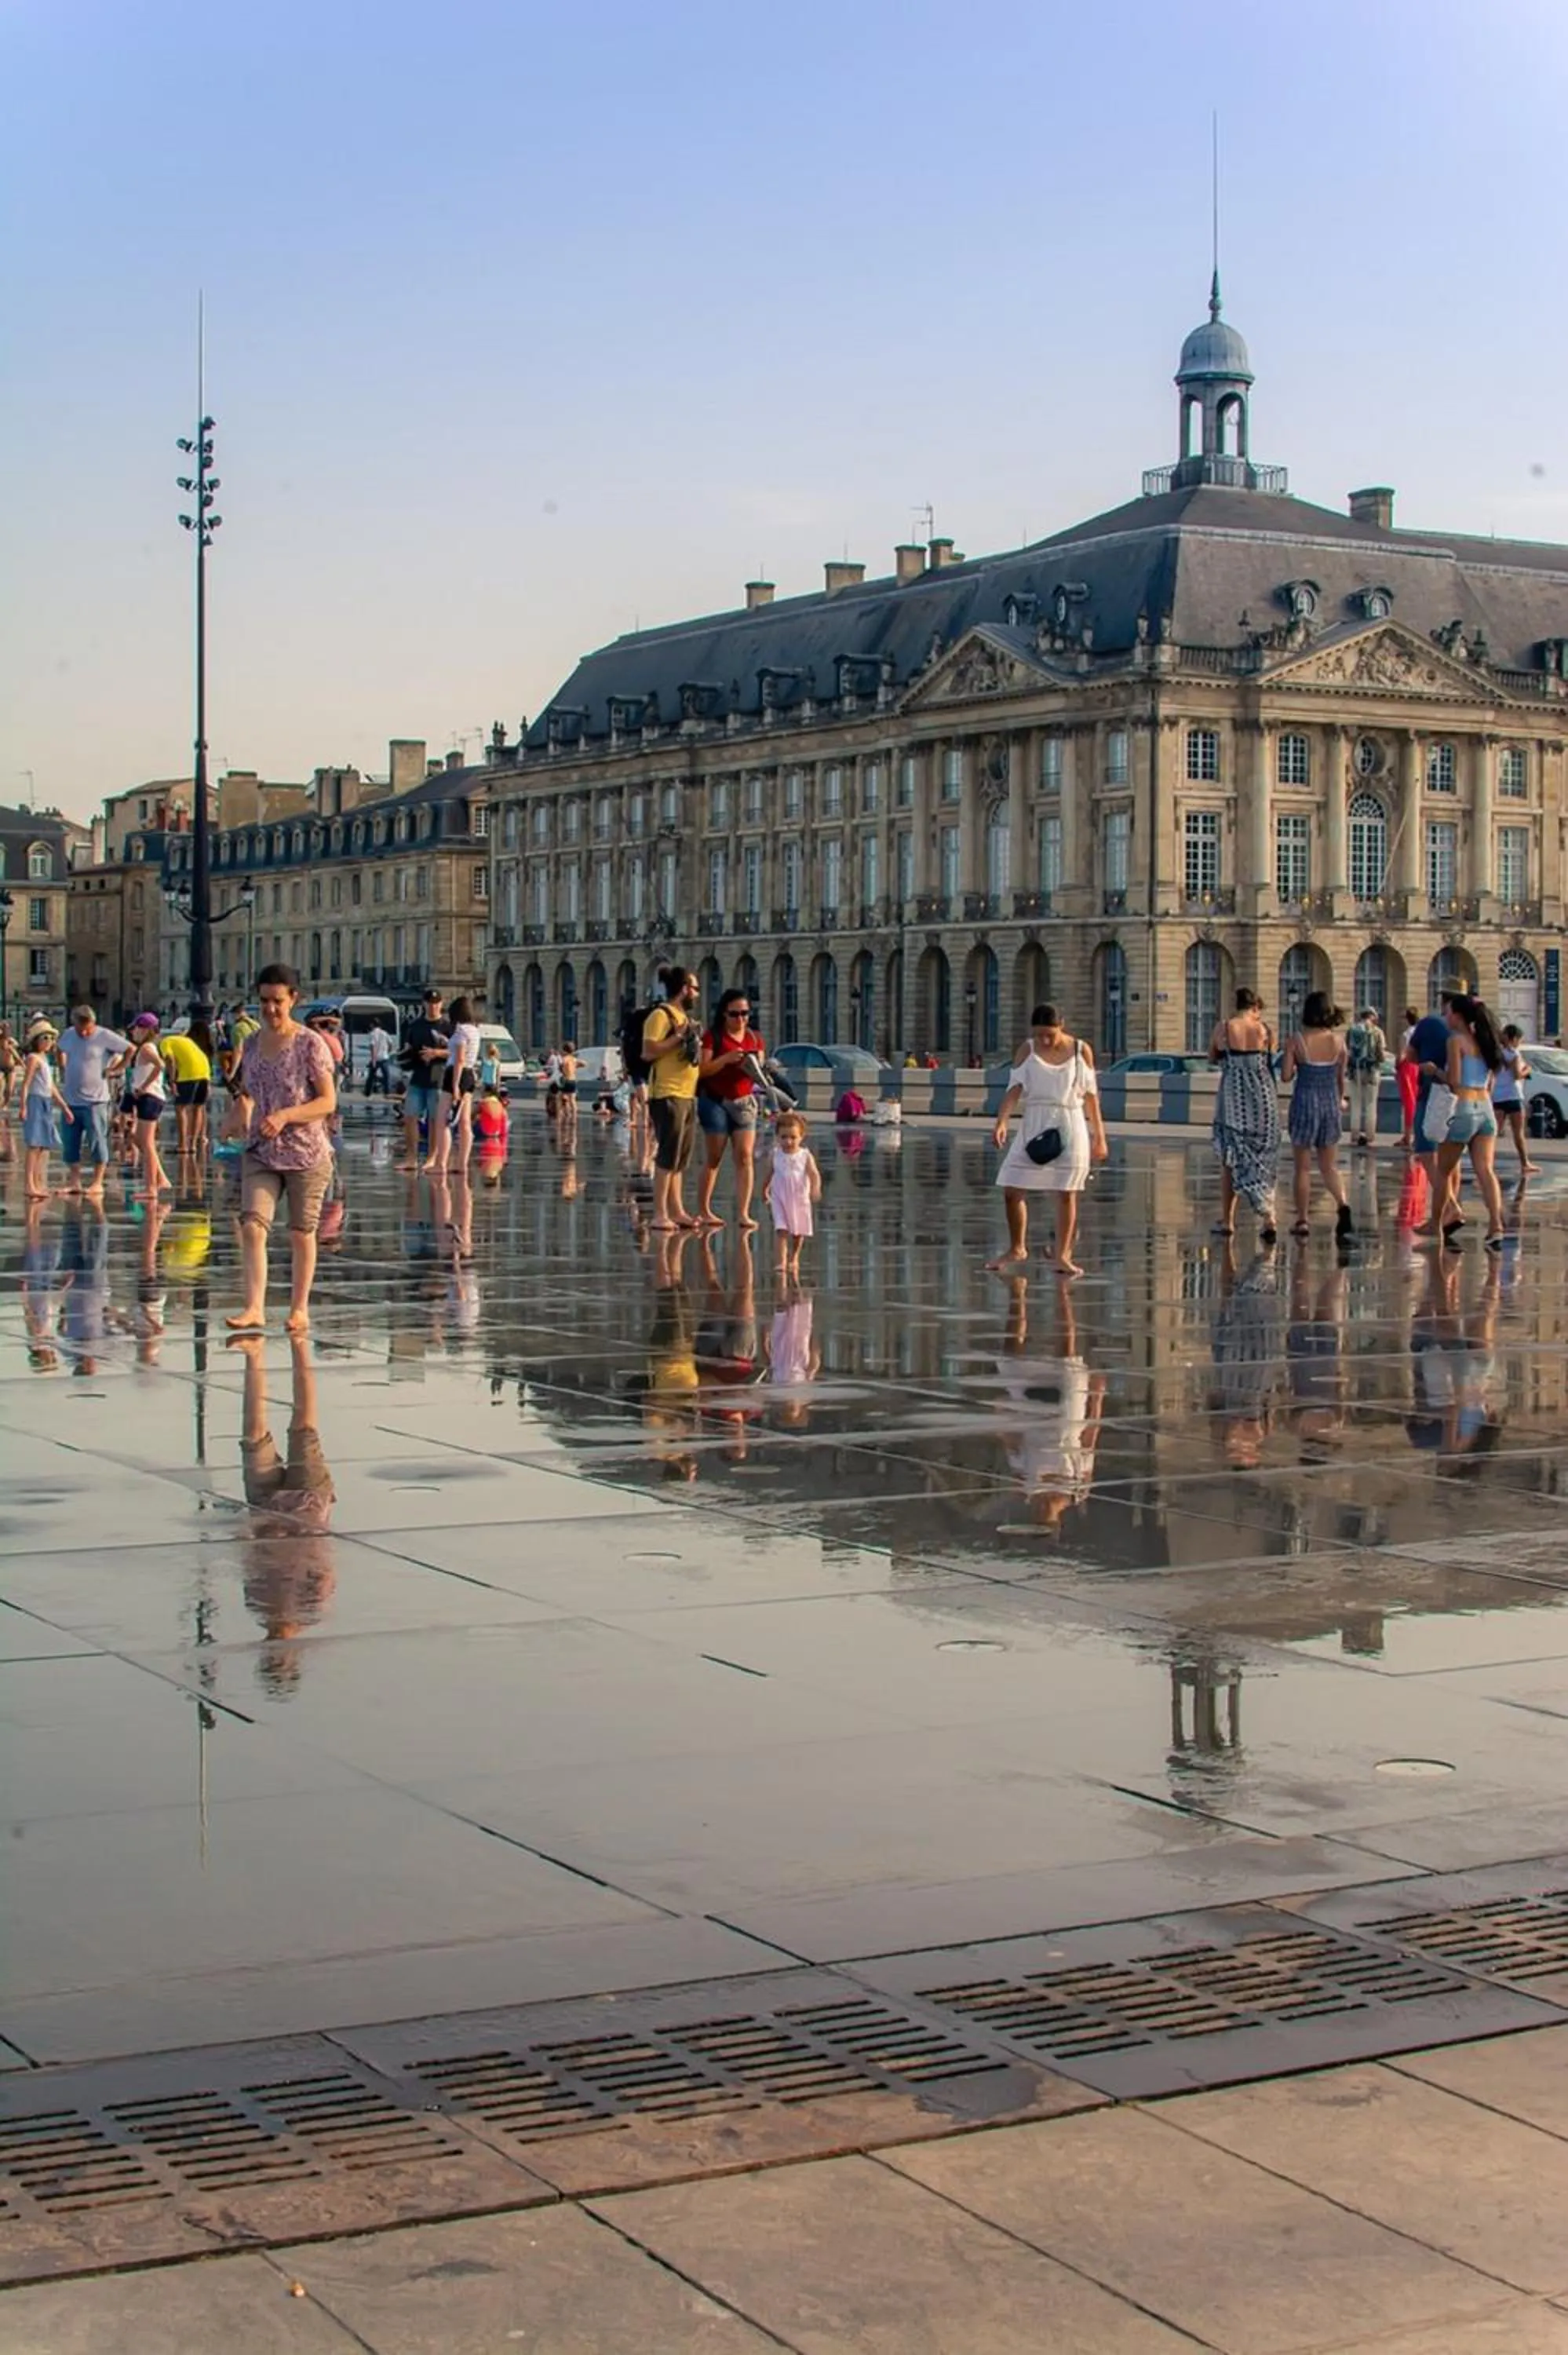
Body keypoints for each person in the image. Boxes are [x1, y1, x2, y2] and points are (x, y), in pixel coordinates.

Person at [224, 963, 339, 1334]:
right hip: (262, 1150)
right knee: (252, 1226)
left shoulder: (309, 1044)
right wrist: (234, 1119)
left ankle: (299, 1309)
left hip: (307, 1153)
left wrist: (286, 1115)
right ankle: (254, 1307)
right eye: (264, 1001)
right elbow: (247, 1092)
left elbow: (327, 1102)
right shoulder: (252, 1044)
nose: (270, 1009)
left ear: (293, 1000)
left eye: (277, 1001)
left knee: (301, 1233)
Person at [988, 1002, 1108, 1278]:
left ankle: (1063, 1255)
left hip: (1070, 1122)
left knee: (1066, 1192)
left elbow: (1091, 1097)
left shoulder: (1081, 1051)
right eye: (1039, 1034)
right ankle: (1017, 1248)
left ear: (1061, 1026)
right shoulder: (1027, 1050)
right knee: (1012, 1188)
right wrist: (1002, 1121)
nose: (1044, 1040)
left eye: (1049, 1035)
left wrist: (1099, 1137)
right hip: (1035, 1121)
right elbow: (1014, 1089)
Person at [1429, 993, 1508, 1250]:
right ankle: (1496, 1225)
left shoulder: (1456, 1041)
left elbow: (1454, 1080)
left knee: (1443, 1171)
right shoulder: (1486, 1041)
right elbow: (1491, 1080)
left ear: (1459, 1017)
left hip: (1463, 1106)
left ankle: (1435, 1224)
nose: (1446, 1017)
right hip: (1485, 1107)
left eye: (1449, 1012)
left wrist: (1434, 1071)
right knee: (1486, 1170)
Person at [1209, 987, 1278, 1244]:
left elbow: (1212, 1056)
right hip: (1263, 1097)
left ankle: (1228, 1221)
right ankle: (1268, 1216)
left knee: (1232, 1156)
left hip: (1234, 1098)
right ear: (1255, 1008)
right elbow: (1271, 1056)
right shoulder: (1266, 1030)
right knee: (1264, 1157)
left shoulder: (1224, 1028)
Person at [1282, 991, 1353, 1240]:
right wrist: (1340, 1100)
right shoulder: (1339, 1042)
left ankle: (1302, 1220)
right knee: (1329, 1166)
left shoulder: (1297, 1040)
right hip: (1329, 1103)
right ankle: (1342, 1204)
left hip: (1305, 1102)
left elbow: (1286, 1076)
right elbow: (1340, 1079)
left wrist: (1292, 1060)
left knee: (1302, 1168)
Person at [696, 987, 765, 1229]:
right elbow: (702, 1070)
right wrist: (725, 1059)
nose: (740, 1019)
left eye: (745, 1014)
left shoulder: (754, 1038)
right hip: (715, 1099)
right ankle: (704, 1210)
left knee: (745, 1156)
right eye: (734, 1014)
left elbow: (760, 1072)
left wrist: (755, 1067)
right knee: (714, 1157)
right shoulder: (712, 1037)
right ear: (724, 1014)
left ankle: (744, 1213)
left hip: (744, 1100)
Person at [642, 967, 703, 1232]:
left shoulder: (683, 1018)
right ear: (684, 989)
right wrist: (679, 1037)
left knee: (680, 1158)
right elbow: (648, 1051)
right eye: (695, 989)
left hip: (687, 1093)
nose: (697, 994)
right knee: (667, 1154)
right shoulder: (661, 1015)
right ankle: (659, 1213)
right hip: (667, 1093)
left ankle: (677, 1211)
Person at [58, 1005, 131, 1199]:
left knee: (97, 1140)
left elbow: (130, 1049)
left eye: (87, 1029)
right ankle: (74, 1181)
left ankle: (98, 1182)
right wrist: (63, 1067)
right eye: (79, 1029)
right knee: (70, 1142)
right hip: (71, 1099)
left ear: (93, 1023)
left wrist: (117, 1069)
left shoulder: (104, 1036)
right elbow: (60, 1049)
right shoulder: (69, 1034)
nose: (83, 1033)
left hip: (95, 1101)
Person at [1408, 994, 1460, 1236]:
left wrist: (1428, 1063)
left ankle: (1452, 1208)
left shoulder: (1428, 1024)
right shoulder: (1469, 1034)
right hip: (1461, 1098)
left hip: (1432, 1093)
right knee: (1451, 1159)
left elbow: (1410, 1056)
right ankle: (1449, 1210)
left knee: (1428, 1154)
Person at [763, 1109, 821, 1279]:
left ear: (801, 1137)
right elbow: (769, 1174)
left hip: (799, 1198)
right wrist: (764, 1190)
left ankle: (794, 1257)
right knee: (781, 1229)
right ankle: (781, 1261)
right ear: (777, 1137)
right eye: (784, 1137)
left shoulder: (805, 1155)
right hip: (779, 1197)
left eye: (793, 1137)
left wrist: (815, 1188)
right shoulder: (775, 1154)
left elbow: (814, 1174)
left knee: (797, 1232)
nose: (788, 1141)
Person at [20, 1020, 73, 1199]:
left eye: (51, 1038)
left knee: (43, 1145)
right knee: (34, 1145)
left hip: (46, 1102)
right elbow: (26, 1084)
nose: (49, 1041)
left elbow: (51, 1087)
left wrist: (64, 1107)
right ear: (36, 1040)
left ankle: (38, 1182)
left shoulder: (45, 1060)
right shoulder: (33, 1058)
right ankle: (29, 1184)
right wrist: (23, 1106)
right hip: (36, 1101)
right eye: (45, 1037)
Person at [427, 993, 479, 1174]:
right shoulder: (475, 1031)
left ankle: (441, 1164)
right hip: (470, 1074)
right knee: (465, 1123)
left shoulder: (461, 1031)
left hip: (456, 1074)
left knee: (442, 1121)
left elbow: (459, 1059)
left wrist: (455, 1085)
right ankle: (462, 1164)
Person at [397, 988, 449, 1169]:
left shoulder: (447, 1026)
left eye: (436, 1003)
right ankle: (411, 1158)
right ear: (424, 1004)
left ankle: (431, 1157)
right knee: (410, 1116)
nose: (433, 1006)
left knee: (434, 1119)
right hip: (418, 1076)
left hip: (438, 1078)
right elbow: (408, 1048)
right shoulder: (415, 1025)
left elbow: (457, 1052)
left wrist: (436, 1053)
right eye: (430, 1003)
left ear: (441, 1004)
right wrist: (406, 1057)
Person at [127, 1014, 173, 1197]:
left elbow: (160, 1065)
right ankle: (161, 1178)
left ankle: (151, 1188)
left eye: (136, 1028)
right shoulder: (147, 1047)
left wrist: (144, 1086)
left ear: (146, 1030)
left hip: (150, 1097)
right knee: (139, 1139)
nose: (133, 1032)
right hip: (147, 1097)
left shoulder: (147, 1048)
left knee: (147, 1143)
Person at [1493, 1024, 1541, 1180]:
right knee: (1518, 1133)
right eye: (1519, 1040)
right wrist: (1527, 1069)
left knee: (1494, 1134)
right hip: (1513, 1096)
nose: (1520, 1042)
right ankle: (1525, 1163)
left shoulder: (1496, 1053)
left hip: (1498, 1096)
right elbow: (1516, 1075)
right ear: (1513, 1039)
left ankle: (1487, 1164)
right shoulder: (1514, 1054)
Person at [162, 1023, 213, 1158]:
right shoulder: (187, 1041)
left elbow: (170, 1060)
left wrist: (172, 1081)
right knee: (198, 1107)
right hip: (205, 1072)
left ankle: (182, 1145)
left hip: (189, 1074)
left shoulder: (165, 1042)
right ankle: (193, 1146)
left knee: (181, 1108)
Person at [1344, 1006, 1387, 1148]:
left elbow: (1347, 1050)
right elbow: (1381, 1054)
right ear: (1372, 1016)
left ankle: (1355, 1135)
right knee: (1371, 1104)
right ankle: (1370, 1136)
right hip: (1371, 1071)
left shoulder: (1351, 1030)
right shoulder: (1377, 1031)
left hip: (1355, 1071)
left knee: (1355, 1104)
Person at [1395, 1005, 1423, 1152]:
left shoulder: (1406, 1035)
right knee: (1418, 1101)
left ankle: (1407, 1136)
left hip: (1407, 1068)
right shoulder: (1420, 1032)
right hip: (1419, 1067)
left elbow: (1402, 1055)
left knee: (1409, 1102)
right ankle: (1417, 1135)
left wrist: (1396, 1066)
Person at [364, 1018, 397, 1099]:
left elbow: (373, 1047)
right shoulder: (385, 1033)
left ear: (372, 1025)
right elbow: (391, 1044)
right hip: (384, 1057)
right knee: (386, 1077)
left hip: (376, 1058)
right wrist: (388, 1052)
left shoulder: (372, 1034)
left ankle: (368, 1092)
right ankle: (387, 1093)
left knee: (371, 1076)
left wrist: (373, 1059)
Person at [556, 1040, 580, 1145]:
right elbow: (584, 1063)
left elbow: (561, 1067)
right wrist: (576, 1066)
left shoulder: (564, 1059)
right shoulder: (574, 1059)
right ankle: (574, 1119)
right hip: (573, 1080)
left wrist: (562, 1069)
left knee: (559, 1098)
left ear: (565, 1050)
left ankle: (559, 1118)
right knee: (573, 1100)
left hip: (566, 1080)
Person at [0, 1022, 19, 1112]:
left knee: (10, 1090)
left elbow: (17, 1055)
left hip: (11, 1068)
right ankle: (1, 1103)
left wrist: (24, 1066)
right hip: (1, 1067)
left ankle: (5, 1104)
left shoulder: (11, 1042)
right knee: (1, 1086)